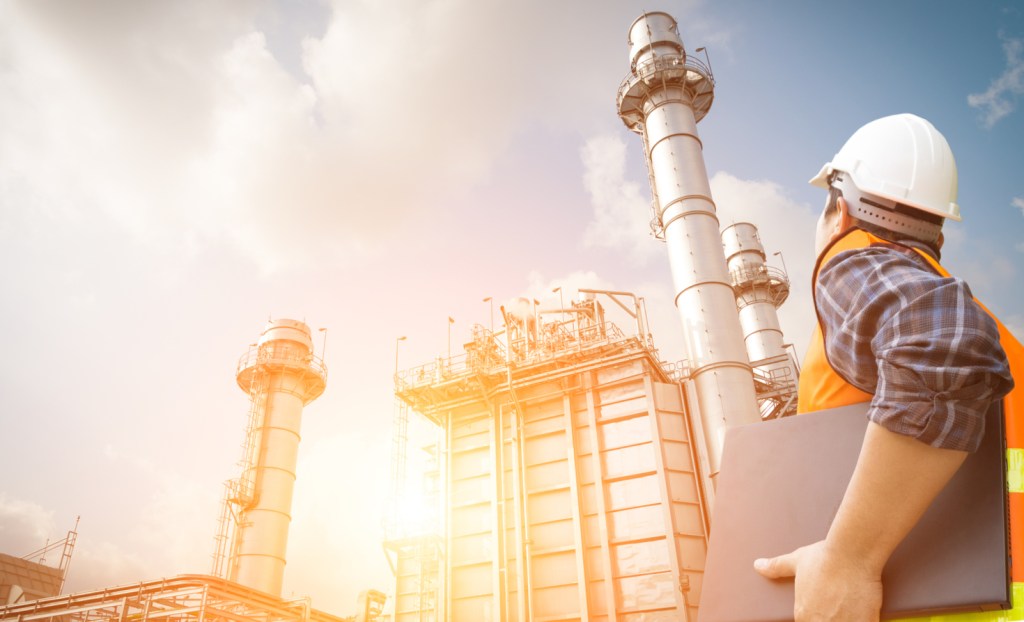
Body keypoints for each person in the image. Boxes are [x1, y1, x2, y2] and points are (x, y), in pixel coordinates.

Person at [752, 113, 1020, 621]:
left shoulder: (855, 257)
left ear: (841, 210)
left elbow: (945, 346)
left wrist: (848, 560)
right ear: (936, 235)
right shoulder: (983, 320)